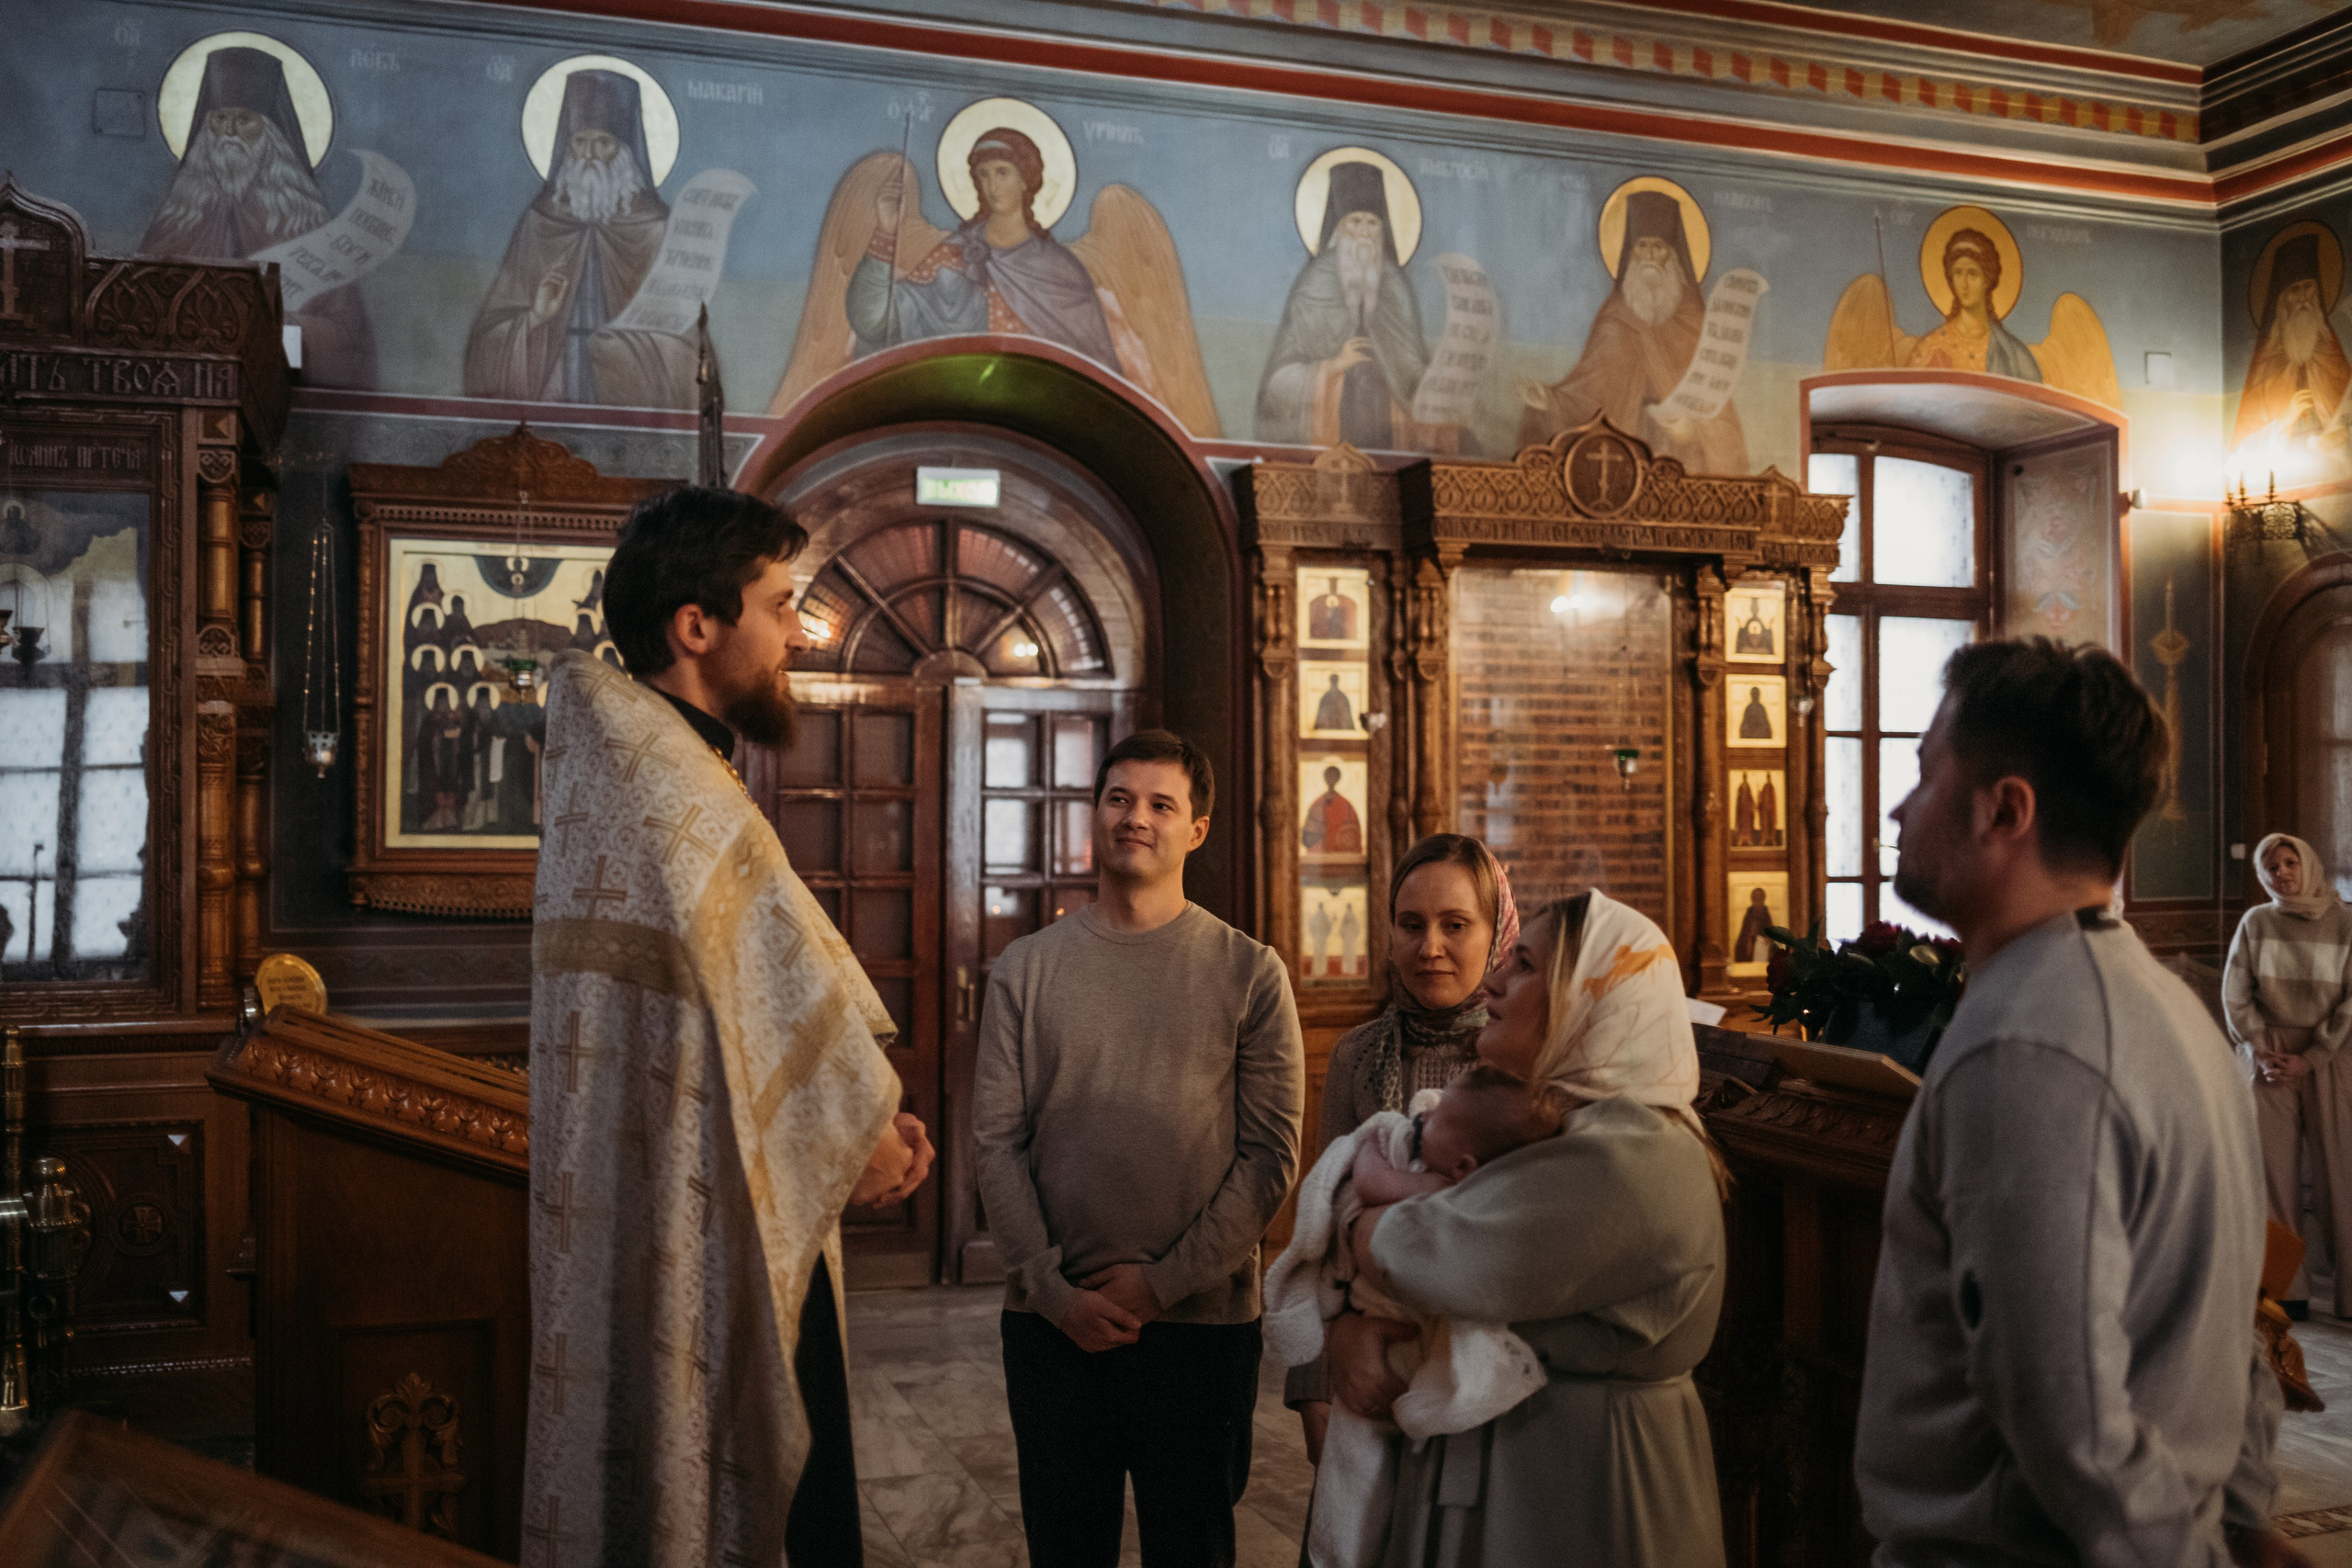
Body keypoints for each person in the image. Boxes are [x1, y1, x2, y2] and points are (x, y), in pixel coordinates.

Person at [526, 486, 935, 1568]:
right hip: (704, 1205)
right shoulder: (665, 786)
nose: (795, 635)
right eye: (779, 606)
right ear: (695, 627)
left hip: (706, 1175)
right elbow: (768, 976)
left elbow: (752, 986)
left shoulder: (643, 763)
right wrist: (860, 1130)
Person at [1856, 637, 2303, 1567]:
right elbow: (2238, 1328)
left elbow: (2066, 1412)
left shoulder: (2027, 1044)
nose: (1897, 810)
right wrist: (2243, 1522)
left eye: (1923, 775)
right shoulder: (2162, 1007)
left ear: (2003, 810)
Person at [974, 728, 1305, 1568]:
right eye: (1119, 798)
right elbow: (996, 1143)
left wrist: (1159, 1284)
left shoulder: (1250, 972)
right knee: (1065, 1545)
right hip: (1053, 1322)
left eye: (1162, 803)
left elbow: (1270, 1157)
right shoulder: (1025, 968)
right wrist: (1052, 1290)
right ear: (1096, 814)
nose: (1136, 818)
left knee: (1191, 1546)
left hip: (1199, 1327)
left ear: (1197, 828)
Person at [1329, 887, 1729, 1564]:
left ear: (1591, 994)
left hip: (1583, 1490)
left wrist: (1362, 1229)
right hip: (1526, 1465)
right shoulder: (1569, 1123)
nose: (1493, 982)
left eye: (1524, 966)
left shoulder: (1631, 1152)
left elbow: (1423, 1252)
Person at [1264, 1064, 1558, 1568]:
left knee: (1367, 1482)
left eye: (1436, 1121)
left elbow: (1370, 1181)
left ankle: (1341, 1551)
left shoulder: (1436, 1190)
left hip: (1415, 1344)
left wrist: (1372, 1144)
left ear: (1466, 1164)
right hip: (1376, 1337)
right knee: (1362, 1473)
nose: (1422, 1121)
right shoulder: (1366, 1058)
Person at [1286, 833, 1517, 1460]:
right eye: (1410, 924)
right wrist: (1314, 1384)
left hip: (1486, 1371)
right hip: (1368, 1365)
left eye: (1456, 924)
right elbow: (1319, 1232)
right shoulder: (1357, 1056)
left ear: (1497, 933)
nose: (1430, 947)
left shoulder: (1519, 1063)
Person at [141, 45, 378, 388]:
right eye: (219, 119)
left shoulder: (307, 222)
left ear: (272, 134)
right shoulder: (178, 218)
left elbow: (348, 338)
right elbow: (141, 308)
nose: (230, 133)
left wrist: (272, 326)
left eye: (244, 120)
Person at [464, 69, 692, 407]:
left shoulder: (654, 228)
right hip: (550, 392)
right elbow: (488, 337)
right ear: (565, 147)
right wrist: (534, 319)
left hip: (626, 398)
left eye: (603, 142)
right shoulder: (540, 222)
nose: (589, 155)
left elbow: (684, 342)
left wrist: (621, 346)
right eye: (580, 141)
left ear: (626, 151)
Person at [850, 126, 1120, 367]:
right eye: (984, 175)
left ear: (1026, 180)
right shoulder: (953, 255)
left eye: (1003, 173)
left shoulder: (1061, 270)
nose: (992, 186)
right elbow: (874, 321)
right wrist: (885, 232)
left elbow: (1098, 367)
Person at [1517, 187, 1745, 473]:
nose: (1649, 255)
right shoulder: (1615, 320)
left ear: (1674, 257)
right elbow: (1588, 393)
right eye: (1642, 246)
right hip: (1618, 459)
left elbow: (1719, 412)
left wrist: (1692, 429)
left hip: (1678, 463)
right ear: (1629, 254)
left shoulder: (1694, 324)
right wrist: (1550, 402)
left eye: (1659, 247)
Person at [2227, 832, 2352, 1318]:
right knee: (2272, 1174)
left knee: (2340, 1174)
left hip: (2331, 1054)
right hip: (2269, 1056)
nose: (2281, 873)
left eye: (2288, 862)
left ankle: (2349, 1294)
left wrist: (2316, 1054)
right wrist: (2260, 1049)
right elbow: (2236, 993)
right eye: (2271, 867)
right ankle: (2285, 1293)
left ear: (2308, 865)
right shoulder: (2256, 922)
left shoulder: (2345, 922)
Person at [1257, 161, 1442, 451]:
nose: (1364, 233)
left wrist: (1435, 385)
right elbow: (1278, 381)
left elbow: (1410, 364)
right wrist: (1332, 367)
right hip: (1331, 423)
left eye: (1372, 223)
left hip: (1391, 427)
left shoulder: (1393, 281)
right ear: (1339, 228)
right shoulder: (1316, 281)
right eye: (1355, 222)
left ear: (1383, 229)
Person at [2233, 232, 2350, 458]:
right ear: (2282, 301)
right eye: (2294, 290)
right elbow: (2242, 447)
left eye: (2308, 287)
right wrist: (2286, 419)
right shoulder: (2267, 364)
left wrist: (2339, 437)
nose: (2303, 298)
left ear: (2317, 292)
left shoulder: (2332, 355)